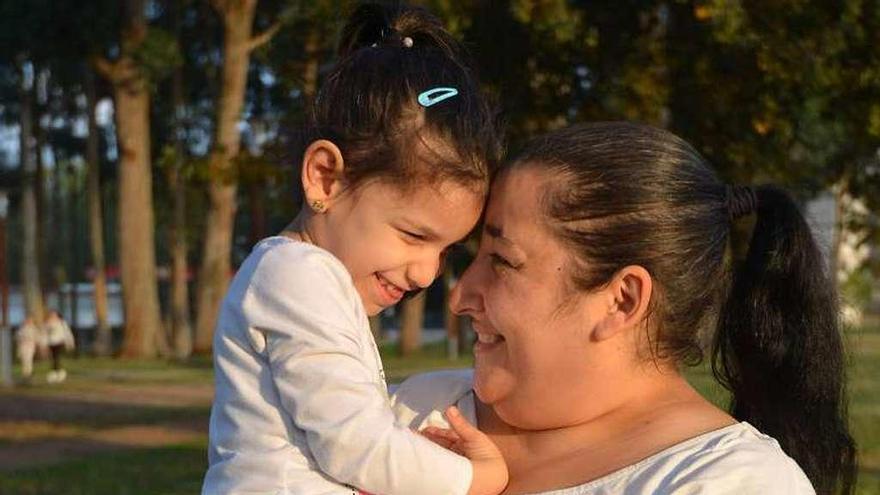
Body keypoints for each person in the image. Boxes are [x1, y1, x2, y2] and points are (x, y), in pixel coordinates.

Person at [393, 122, 857, 494]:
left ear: (623, 300)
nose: (458, 296)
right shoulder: (417, 408)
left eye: (502, 261)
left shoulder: (729, 482)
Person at [202, 3, 507, 495]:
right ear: (325, 177)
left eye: (446, 251)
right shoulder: (296, 276)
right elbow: (354, 443)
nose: (427, 274)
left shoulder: (309, 279)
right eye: (413, 236)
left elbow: (348, 414)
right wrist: (474, 480)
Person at [44, 310, 75, 383]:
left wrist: (70, 342)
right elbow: (44, 333)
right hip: (51, 342)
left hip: (59, 341)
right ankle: (56, 372)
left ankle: (59, 372)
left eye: (54, 315)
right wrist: (44, 343)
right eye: (51, 315)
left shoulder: (62, 323)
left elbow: (67, 332)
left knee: (56, 357)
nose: (52, 316)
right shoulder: (47, 323)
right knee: (53, 357)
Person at [15, 315, 40, 380]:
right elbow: (17, 337)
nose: (28, 322)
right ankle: (24, 372)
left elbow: (36, 337)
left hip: (30, 345)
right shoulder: (21, 329)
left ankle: (29, 372)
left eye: (30, 320)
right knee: (24, 359)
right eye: (27, 320)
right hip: (23, 346)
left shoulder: (34, 329)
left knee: (29, 359)